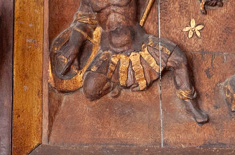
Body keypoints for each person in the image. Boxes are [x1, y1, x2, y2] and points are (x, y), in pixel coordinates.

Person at [50, 0, 209, 124]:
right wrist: (74, 45)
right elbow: (83, 20)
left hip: (140, 45)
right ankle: (116, 83)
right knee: (90, 91)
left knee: (179, 59)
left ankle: (190, 104)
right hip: (110, 53)